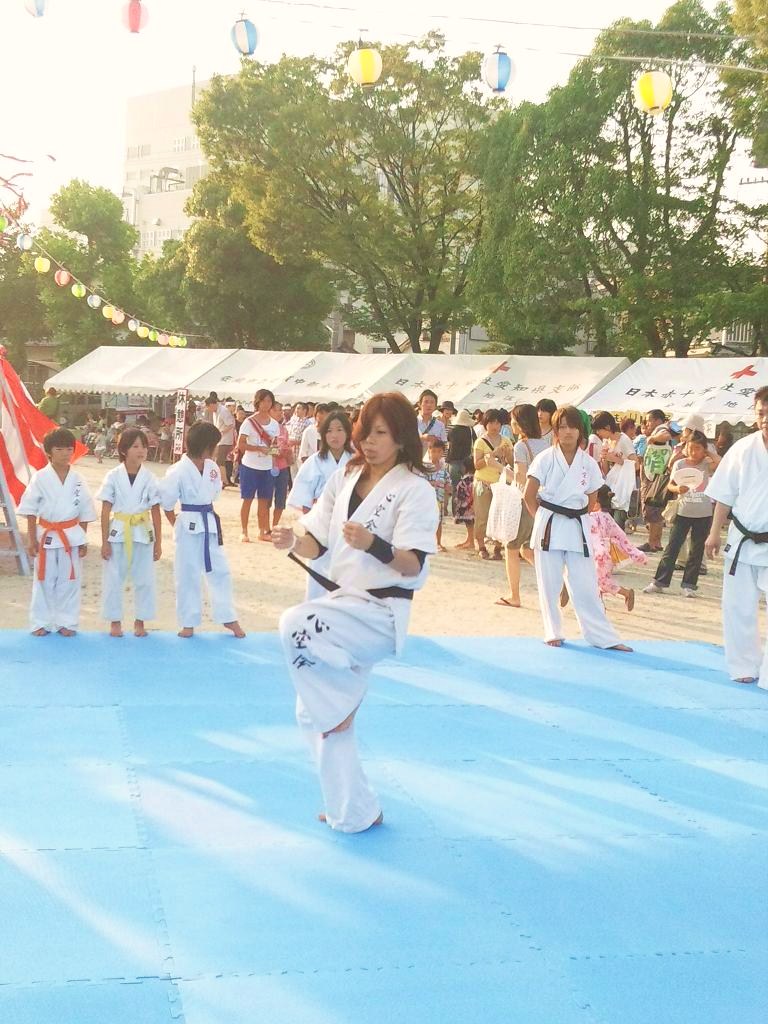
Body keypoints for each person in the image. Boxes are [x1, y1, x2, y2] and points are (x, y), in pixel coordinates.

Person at [272, 392, 438, 833]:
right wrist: (293, 542)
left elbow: (412, 564)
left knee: (294, 624)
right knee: (310, 713)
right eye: (365, 432)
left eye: (381, 433)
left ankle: (343, 699)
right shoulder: (345, 478)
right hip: (343, 607)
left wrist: (373, 544)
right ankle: (356, 809)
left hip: (381, 612)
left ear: (401, 438)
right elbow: (317, 543)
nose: (369, 441)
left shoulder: (415, 490)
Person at [523, 405, 631, 651]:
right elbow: (528, 495)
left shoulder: (588, 463)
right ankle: (553, 631)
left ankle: (602, 637)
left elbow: (592, 499)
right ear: (555, 431)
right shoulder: (545, 458)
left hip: (576, 525)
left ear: (580, 430)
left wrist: (576, 515)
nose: (568, 431)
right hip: (549, 524)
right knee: (549, 583)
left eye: (572, 426)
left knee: (585, 584)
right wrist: (542, 520)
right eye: (562, 427)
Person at [705, 387, 768, 687]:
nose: (765, 418)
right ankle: (744, 664)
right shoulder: (742, 449)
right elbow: (724, 495)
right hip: (742, 540)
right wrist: (713, 533)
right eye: (761, 413)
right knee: (738, 607)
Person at [160, 420, 245, 639]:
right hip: (187, 523)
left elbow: (215, 494)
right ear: (206, 446)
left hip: (209, 523)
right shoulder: (177, 471)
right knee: (187, 574)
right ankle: (188, 622)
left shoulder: (212, 468)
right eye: (214, 445)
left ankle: (228, 617)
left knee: (220, 570)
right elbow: (167, 503)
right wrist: (176, 523)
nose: (216, 449)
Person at [17, 427, 97, 637]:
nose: (65, 453)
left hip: (71, 535)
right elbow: (30, 511)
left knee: (70, 580)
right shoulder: (40, 478)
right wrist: (31, 539)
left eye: (69, 449)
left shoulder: (78, 479)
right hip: (47, 535)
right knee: (43, 579)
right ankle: (40, 622)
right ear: (49, 452)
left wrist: (82, 539)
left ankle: (67, 622)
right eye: (59, 449)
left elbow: (85, 511)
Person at [97, 427, 162, 638]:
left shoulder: (150, 477)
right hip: (118, 531)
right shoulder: (113, 476)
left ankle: (140, 621)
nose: (141, 450)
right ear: (124, 450)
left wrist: (159, 542)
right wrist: (104, 541)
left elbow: (156, 510)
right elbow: (105, 510)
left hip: (143, 532)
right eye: (135, 446)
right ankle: (115, 621)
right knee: (113, 578)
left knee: (145, 578)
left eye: (144, 446)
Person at [643, 430, 716, 597]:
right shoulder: (680, 464)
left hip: (703, 513)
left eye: (698, 448)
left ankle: (689, 585)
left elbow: (721, 463)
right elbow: (670, 484)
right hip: (683, 510)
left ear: (704, 449)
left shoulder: (706, 464)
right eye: (691, 447)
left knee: (696, 550)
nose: (693, 452)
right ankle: (659, 582)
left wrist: (708, 453)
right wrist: (677, 489)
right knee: (672, 547)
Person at [496, 403, 548, 608]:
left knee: (512, 547)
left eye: (513, 421)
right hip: (544, 502)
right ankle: (558, 581)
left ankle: (514, 595)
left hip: (525, 501)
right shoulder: (546, 444)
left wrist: (499, 467)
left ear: (520, 423)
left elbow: (520, 478)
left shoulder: (521, 446)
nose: (511, 424)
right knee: (528, 550)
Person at [585, 484, 647, 611]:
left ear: (595, 501)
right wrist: (636, 553)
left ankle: (625, 593)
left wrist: (600, 551)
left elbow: (595, 538)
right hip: (607, 554)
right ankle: (600, 604)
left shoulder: (592, 517)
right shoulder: (608, 517)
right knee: (599, 579)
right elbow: (621, 536)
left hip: (599, 554)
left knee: (600, 581)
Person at [238, 388, 280, 543]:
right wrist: (258, 448)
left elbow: (275, 446)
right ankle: (244, 531)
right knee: (247, 499)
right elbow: (241, 445)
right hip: (249, 466)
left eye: (269, 401)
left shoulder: (275, 424)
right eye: (263, 401)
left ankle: (262, 531)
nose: (266, 404)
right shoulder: (249, 422)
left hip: (267, 467)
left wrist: (272, 453)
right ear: (257, 402)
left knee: (264, 501)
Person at [473, 409, 513, 560]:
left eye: (497, 423)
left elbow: (512, 463)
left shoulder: (506, 441)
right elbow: (477, 465)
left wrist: (507, 454)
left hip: (501, 484)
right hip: (483, 483)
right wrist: (492, 455)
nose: (494, 426)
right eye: (491, 422)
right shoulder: (480, 441)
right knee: (482, 516)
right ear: (485, 424)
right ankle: (481, 546)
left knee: (500, 516)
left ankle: (497, 547)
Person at [591, 411, 638, 529]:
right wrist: (604, 459)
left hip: (623, 488)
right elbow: (606, 470)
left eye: (599, 430)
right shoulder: (606, 441)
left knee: (617, 523)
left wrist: (616, 460)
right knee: (608, 522)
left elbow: (636, 464)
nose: (598, 433)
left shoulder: (624, 440)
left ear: (607, 427)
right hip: (611, 486)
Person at [638, 409, 673, 553]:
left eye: (649, 421)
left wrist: (651, 438)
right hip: (656, 476)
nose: (647, 424)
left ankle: (652, 542)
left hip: (655, 477)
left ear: (658, 420)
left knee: (652, 509)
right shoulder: (661, 430)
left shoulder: (662, 429)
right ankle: (656, 542)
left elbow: (665, 435)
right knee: (656, 511)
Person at [268, 398, 295, 531]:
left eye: (280, 410)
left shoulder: (284, 429)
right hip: (267, 467)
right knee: (266, 499)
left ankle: (274, 525)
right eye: (276, 410)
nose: (280, 413)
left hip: (282, 468)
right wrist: (277, 452)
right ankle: (265, 527)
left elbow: (287, 447)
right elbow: (264, 449)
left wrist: (285, 452)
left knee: (280, 499)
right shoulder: (264, 429)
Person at [424, 438, 451, 552]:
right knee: (425, 521)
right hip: (426, 500)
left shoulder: (443, 467)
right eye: (433, 451)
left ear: (442, 452)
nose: (436, 453)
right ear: (429, 451)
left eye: (439, 451)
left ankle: (438, 542)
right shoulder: (425, 467)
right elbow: (420, 481)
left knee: (438, 521)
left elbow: (448, 480)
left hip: (439, 499)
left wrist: (448, 487)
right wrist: (432, 483)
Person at [446, 408, 475, 515]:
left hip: (453, 462)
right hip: (466, 463)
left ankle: (455, 512)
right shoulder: (470, 431)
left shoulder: (452, 430)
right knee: (466, 488)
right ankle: (464, 512)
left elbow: (448, 441)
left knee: (455, 488)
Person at [453, 456, 475, 550]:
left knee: (469, 523)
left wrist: (458, 502)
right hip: (473, 504)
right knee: (470, 523)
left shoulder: (466, 479)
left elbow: (461, 492)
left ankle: (471, 542)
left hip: (467, 505)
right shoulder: (476, 478)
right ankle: (469, 539)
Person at [215, 398, 237, 486]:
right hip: (223, 441)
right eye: (233, 406)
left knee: (227, 461)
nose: (234, 408)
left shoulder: (230, 415)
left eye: (235, 406)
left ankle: (226, 480)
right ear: (228, 406)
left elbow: (231, 426)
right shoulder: (224, 412)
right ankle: (224, 480)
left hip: (229, 441)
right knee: (220, 461)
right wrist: (221, 432)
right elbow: (229, 425)